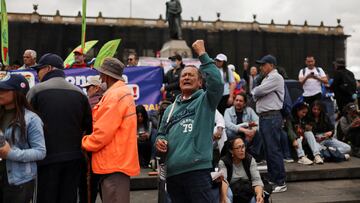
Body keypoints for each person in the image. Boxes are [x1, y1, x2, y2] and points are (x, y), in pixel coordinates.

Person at [155, 40, 223, 202]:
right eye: (184, 75)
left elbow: (217, 83)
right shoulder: (169, 110)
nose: (186, 77)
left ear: (200, 82)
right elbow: (161, 134)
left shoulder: (206, 101)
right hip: (173, 175)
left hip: (198, 172)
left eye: (191, 75)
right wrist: (160, 141)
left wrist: (202, 54)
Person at [27, 53, 93, 203]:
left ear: (49, 68)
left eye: (39, 69)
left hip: (45, 160)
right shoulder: (79, 93)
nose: (37, 74)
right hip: (73, 159)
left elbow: (26, 123)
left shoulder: (36, 91)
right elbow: (88, 127)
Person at [82, 57, 140, 203]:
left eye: (101, 74)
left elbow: (103, 133)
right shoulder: (119, 93)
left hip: (113, 163)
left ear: (106, 76)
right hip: (115, 162)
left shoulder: (114, 95)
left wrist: (84, 142)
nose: (100, 77)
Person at [0, 73, 46, 203]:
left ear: (17, 93)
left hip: (18, 181)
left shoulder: (31, 119)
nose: (0, 93)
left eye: (4, 90)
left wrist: (10, 153)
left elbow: (40, 152)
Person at [251, 54, 286, 193]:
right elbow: (255, 93)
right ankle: (273, 177)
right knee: (268, 150)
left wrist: (256, 92)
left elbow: (257, 91)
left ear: (271, 65)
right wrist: (256, 92)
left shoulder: (275, 77)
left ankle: (280, 181)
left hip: (271, 117)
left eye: (263, 64)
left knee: (273, 150)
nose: (261, 67)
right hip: (266, 117)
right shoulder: (267, 78)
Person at [219, 137, 265, 203]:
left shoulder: (250, 160)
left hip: (246, 189)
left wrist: (259, 195)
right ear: (231, 150)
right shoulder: (224, 162)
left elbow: (256, 180)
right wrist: (223, 197)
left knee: (256, 199)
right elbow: (224, 181)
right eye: (238, 148)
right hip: (231, 188)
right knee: (227, 196)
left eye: (243, 146)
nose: (242, 150)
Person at [224, 93, 263, 162]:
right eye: (236, 100)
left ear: (244, 103)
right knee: (229, 132)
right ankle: (238, 153)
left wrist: (253, 131)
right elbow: (228, 124)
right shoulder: (228, 111)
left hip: (247, 136)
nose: (238, 102)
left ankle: (254, 155)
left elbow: (258, 121)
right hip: (234, 135)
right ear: (234, 101)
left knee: (260, 131)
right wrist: (244, 130)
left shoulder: (249, 110)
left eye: (241, 101)